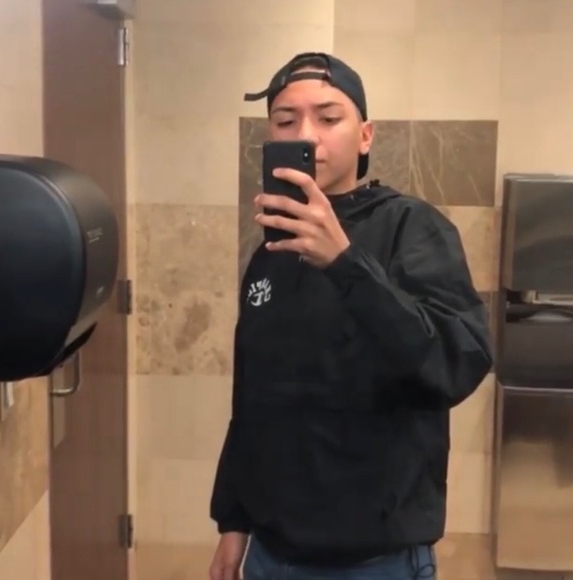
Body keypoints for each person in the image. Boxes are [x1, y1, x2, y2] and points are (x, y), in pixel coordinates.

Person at [208, 52, 493, 580]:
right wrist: (234, 521)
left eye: (328, 117)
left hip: (376, 559)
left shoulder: (412, 228)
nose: (307, 134)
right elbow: (253, 398)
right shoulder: (271, 250)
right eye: (286, 121)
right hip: (269, 553)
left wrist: (344, 262)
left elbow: (456, 362)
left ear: (365, 136)